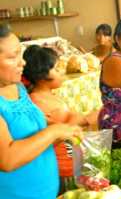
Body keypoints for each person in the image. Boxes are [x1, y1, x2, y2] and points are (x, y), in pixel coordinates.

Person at [0, 24, 81, 199]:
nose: (22, 62)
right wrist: (53, 133)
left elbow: (30, 132)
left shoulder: (16, 87)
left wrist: (62, 129)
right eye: (13, 56)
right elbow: (7, 158)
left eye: (20, 54)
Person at [22, 45, 99, 186]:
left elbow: (71, 119)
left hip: (71, 158)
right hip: (60, 165)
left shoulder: (50, 96)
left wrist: (77, 119)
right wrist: (78, 120)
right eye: (57, 69)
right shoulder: (37, 101)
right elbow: (64, 127)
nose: (62, 72)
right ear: (42, 76)